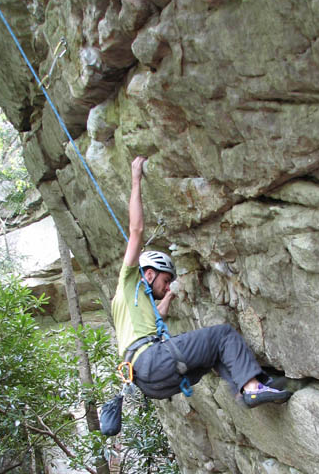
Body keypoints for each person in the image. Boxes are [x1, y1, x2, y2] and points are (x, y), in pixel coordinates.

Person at [111, 156, 293, 407]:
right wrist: (135, 180)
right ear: (149, 273)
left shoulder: (133, 307)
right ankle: (252, 388)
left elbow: (158, 317)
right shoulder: (129, 281)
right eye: (165, 280)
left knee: (213, 354)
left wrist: (172, 293)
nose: (166, 286)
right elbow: (136, 230)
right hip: (153, 360)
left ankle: (247, 390)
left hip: (148, 382)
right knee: (223, 335)